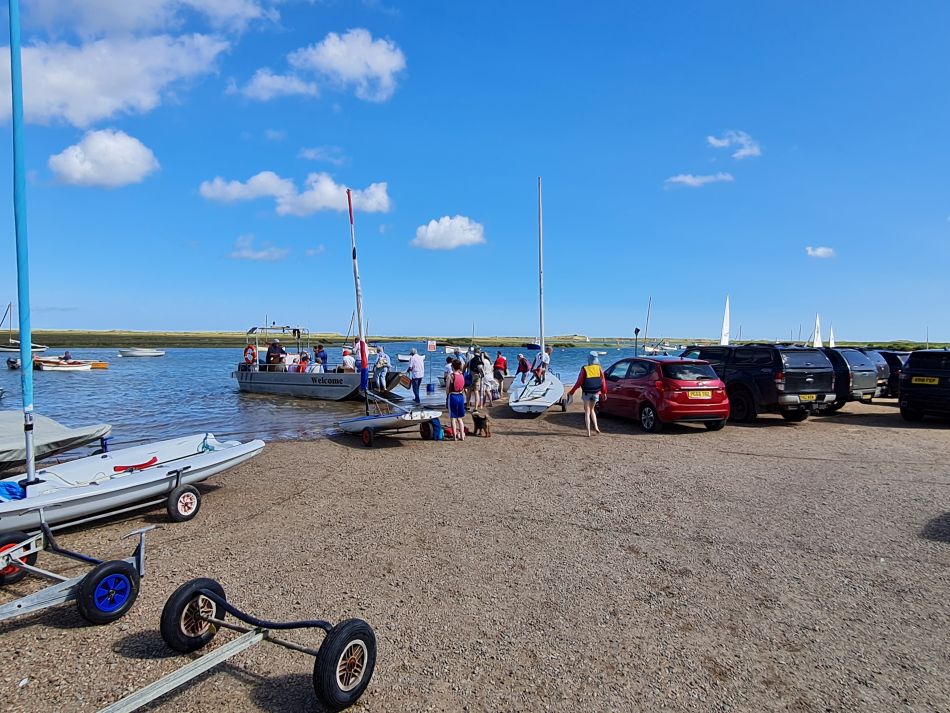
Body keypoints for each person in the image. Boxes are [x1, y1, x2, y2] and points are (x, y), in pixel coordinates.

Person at [567, 352, 607, 437]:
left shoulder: (584, 369)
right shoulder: (599, 368)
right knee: (592, 410)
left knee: (587, 411)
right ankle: (596, 427)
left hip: (587, 393)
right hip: (596, 392)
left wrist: (572, 392)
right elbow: (603, 382)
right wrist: (604, 392)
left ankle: (588, 432)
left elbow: (579, 382)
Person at [446, 359, 467, 441]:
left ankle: (454, 436)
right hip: (461, 396)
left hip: (453, 396)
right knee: (460, 417)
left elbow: (447, 388)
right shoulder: (462, 375)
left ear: (452, 367)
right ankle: (462, 435)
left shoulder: (450, 376)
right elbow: (463, 386)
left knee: (453, 417)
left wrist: (447, 396)